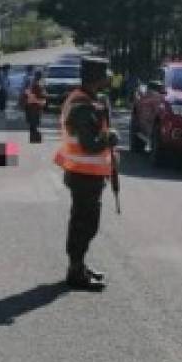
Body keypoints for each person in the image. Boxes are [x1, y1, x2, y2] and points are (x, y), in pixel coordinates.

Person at [54, 57, 120, 291]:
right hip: (84, 175)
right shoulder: (83, 106)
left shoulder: (88, 100)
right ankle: (76, 272)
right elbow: (90, 144)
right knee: (85, 224)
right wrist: (109, 137)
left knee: (83, 222)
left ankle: (78, 265)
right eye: (105, 75)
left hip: (86, 174)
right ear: (96, 78)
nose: (109, 79)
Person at [21, 69, 47, 142]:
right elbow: (42, 96)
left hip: (31, 107)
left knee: (33, 124)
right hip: (34, 107)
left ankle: (33, 138)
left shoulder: (33, 84)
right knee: (34, 124)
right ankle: (34, 138)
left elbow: (25, 94)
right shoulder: (37, 85)